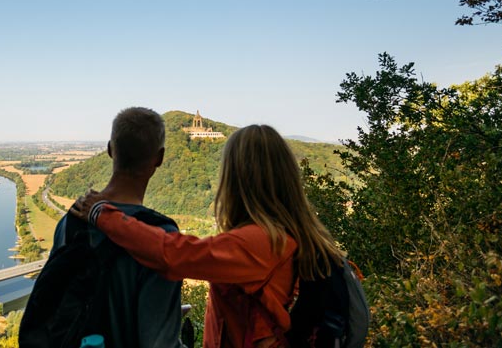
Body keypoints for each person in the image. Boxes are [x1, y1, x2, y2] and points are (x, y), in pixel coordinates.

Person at [72, 124, 344, 348]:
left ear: (237, 177)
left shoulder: (261, 241)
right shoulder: (286, 233)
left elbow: (174, 255)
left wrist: (101, 213)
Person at [20, 107, 184, 347]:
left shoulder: (72, 221)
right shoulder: (162, 237)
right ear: (159, 158)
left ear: (110, 149)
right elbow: (159, 343)